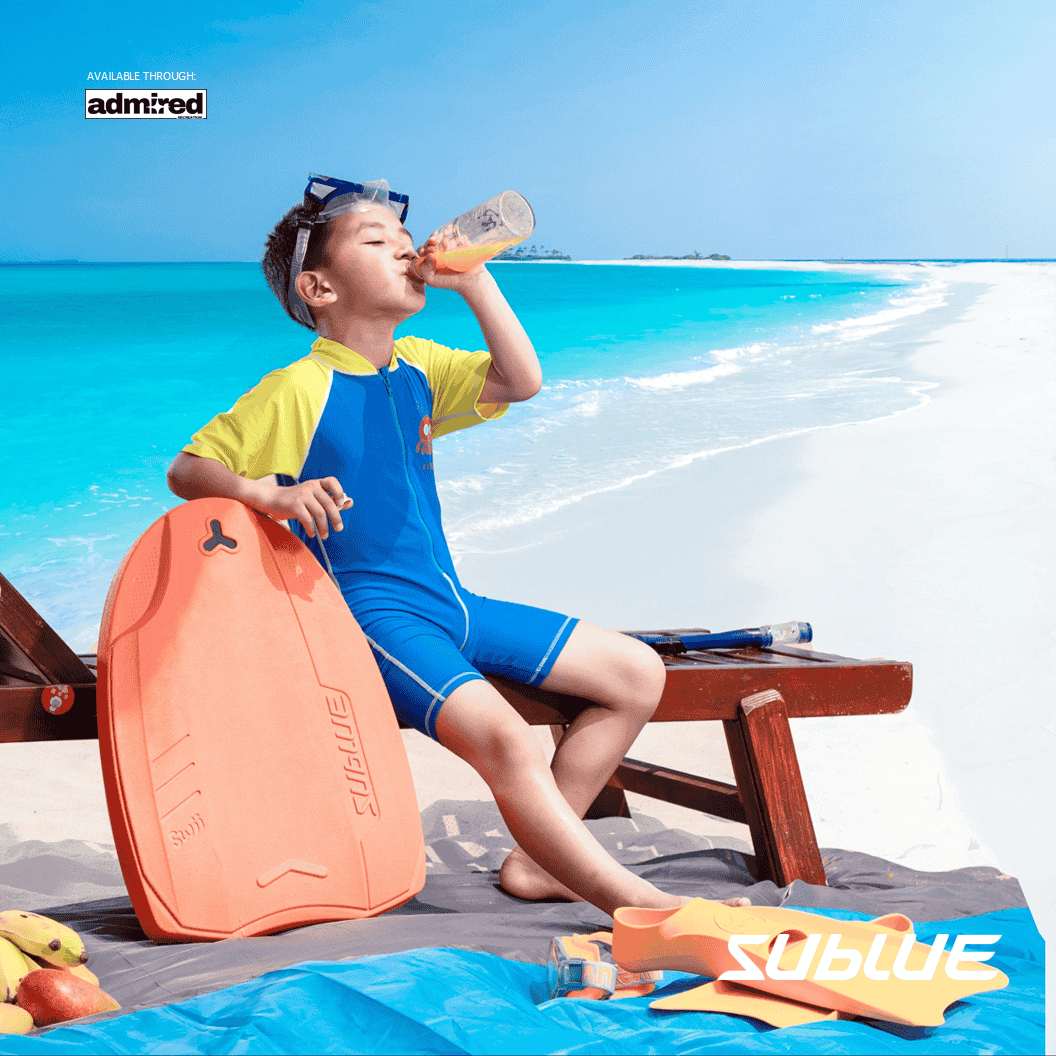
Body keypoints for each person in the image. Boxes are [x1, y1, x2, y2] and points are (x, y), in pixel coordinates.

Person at [167, 175, 747, 917]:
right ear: (319, 287)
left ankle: (543, 862)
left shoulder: (419, 367)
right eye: (376, 242)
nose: (404, 250)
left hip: (452, 605)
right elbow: (188, 469)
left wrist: (476, 286)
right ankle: (636, 903)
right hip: (370, 617)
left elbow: (521, 380)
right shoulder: (297, 389)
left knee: (635, 673)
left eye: (405, 241)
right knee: (509, 741)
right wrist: (268, 494)